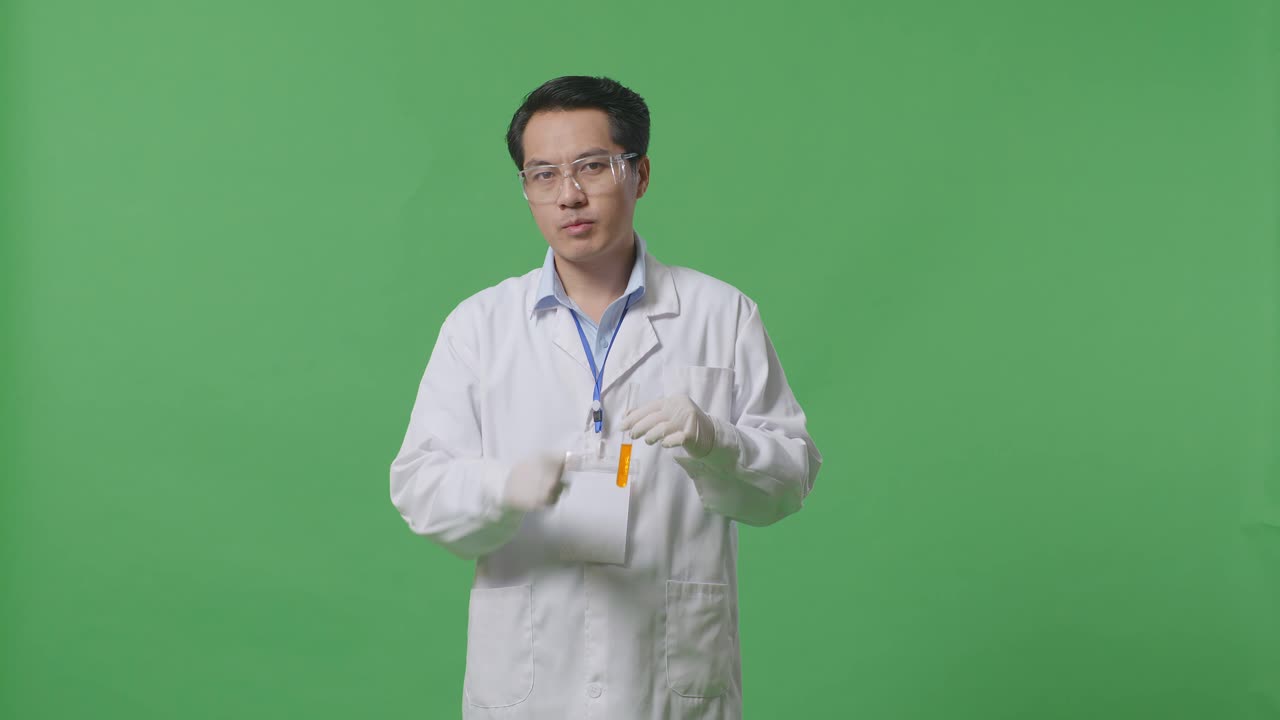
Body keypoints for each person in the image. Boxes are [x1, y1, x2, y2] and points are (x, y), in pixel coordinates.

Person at [389, 75, 822, 720]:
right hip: (529, 686)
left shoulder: (722, 314)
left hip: (669, 686)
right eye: (543, 175)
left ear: (639, 174)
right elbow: (419, 488)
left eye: (592, 166)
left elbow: (788, 484)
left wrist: (717, 442)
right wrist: (501, 486)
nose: (569, 194)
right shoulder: (479, 327)